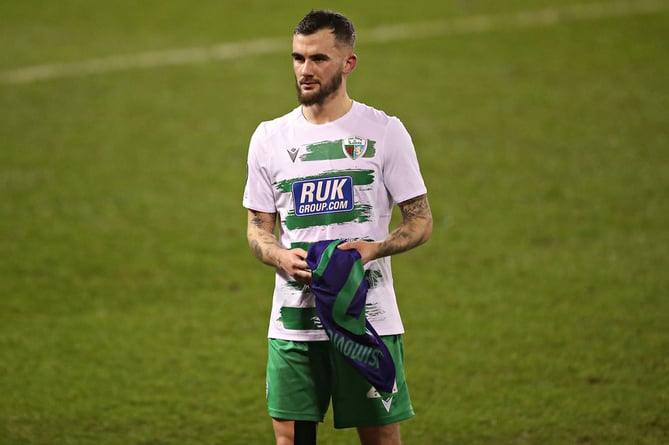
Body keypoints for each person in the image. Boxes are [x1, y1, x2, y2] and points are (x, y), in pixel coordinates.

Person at [243, 9, 432, 445]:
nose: (305, 70)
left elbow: (420, 220)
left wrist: (375, 248)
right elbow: (257, 228)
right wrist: (278, 255)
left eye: (319, 59)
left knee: (380, 438)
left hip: (366, 319)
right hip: (294, 323)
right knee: (290, 438)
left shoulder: (385, 133)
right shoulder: (269, 138)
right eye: (297, 58)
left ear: (348, 63)